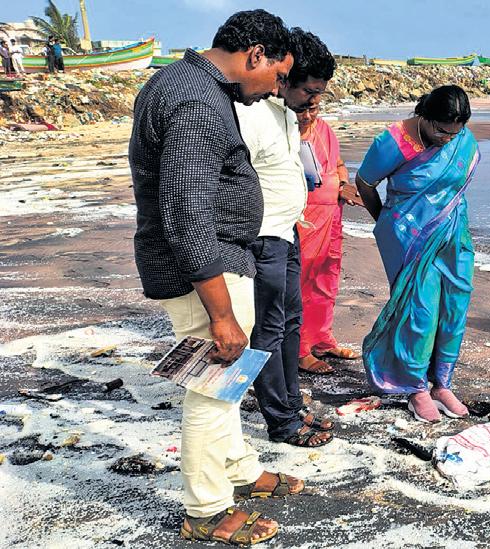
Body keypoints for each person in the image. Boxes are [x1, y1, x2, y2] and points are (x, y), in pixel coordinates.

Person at [129, 9, 301, 545]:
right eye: (277, 75)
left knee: (230, 381)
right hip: (204, 270)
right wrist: (222, 314)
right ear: (255, 54)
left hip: (221, 260)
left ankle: (240, 470)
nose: (277, 88)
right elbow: (186, 216)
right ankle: (205, 508)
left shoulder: (190, 84)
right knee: (212, 388)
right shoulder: (197, 102)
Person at [235, 28, 336, 447]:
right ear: (286, 77)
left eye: (320, 94)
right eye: (310, 91)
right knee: (269, 329)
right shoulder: (252, 114)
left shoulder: (286, 115)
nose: (315, 101)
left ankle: (291, 403)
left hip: (287, 231)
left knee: (291, 323)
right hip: (263, 238)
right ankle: (281, 421)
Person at [355, 85, 479, 423]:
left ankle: (442, 382)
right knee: (419, 311)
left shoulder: (460, 139)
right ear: (424, 116)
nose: (446, 140)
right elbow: (365, 183)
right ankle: (415, 387)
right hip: (409, 237)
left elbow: (456, 183)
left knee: (454, 308)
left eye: (455, 133)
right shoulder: (392, 143)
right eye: (440, 130)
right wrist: (385, 220)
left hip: (454, 234)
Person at [295, 101, 363, 375]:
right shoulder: (285, 131)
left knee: (328, 278)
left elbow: (339, 165)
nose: (309, 115)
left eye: (314, 107)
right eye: (303, 108)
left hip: (333, 213)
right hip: (306, 216)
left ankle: (322, 339)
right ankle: (301, 350)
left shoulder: (323, 129)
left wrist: (344, 184)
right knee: (303, 279)